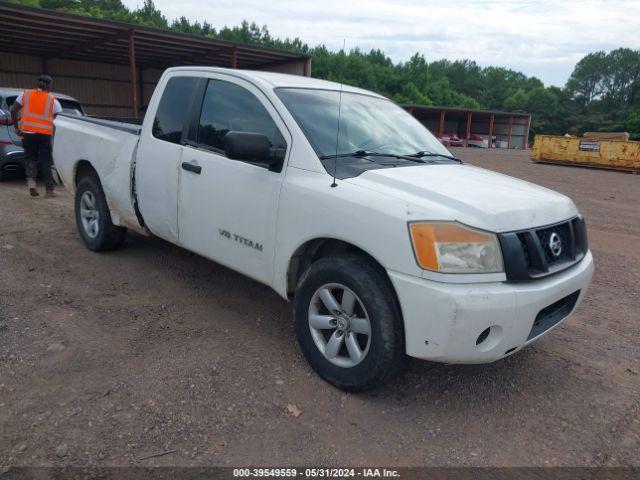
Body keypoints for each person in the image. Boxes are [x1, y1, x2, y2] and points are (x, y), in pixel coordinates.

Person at [10, 75, 62, 198]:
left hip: (28, 134)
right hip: (44, 135)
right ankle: (49, 191)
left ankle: (31, 183)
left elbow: (13, 110)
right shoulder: (53, 100)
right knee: (46, 161)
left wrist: (17, 127)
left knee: (30, 158)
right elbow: (60, 118)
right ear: (49, 85)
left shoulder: (25, 95)